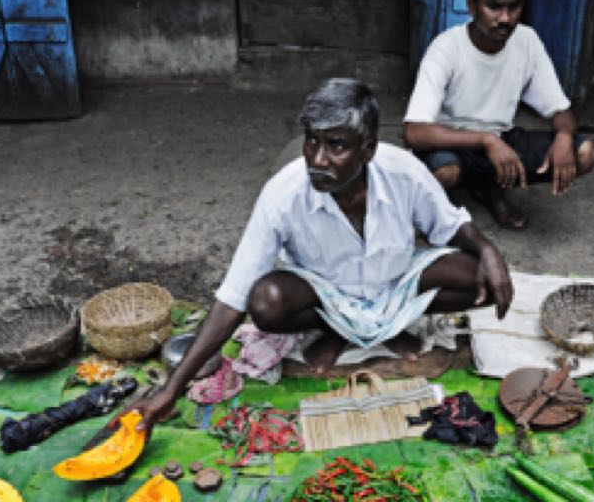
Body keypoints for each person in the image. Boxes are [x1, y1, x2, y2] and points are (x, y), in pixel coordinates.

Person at [118, 78, 513, 435]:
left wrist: (489, 250)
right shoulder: (282, 196)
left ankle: (389, 327)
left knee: (482, 277)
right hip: (327, 297)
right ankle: (339, 331)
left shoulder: (405, 173)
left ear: (369, 150)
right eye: (312, 141)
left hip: (396, 284)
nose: (317, 159)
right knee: (265, 302)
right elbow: (232, 298)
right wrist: (172, 389)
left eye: (336, 145)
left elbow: (449, 226)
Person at [403, 0, 594, 228]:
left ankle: (488, 186)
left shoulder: (527, 41)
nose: (505, 18)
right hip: (455, 142)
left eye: (513, 7)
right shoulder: (446, 48)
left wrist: (564, 136)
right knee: (446, 172)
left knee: (584, 154)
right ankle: (439, 211)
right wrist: (485, 140)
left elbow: (561, 111)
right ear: (472, 5)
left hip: (502, 139)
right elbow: (413, 132)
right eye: (494, 7)